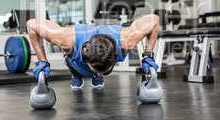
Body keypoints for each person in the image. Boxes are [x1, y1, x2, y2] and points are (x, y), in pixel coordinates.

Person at [27, 14, 160, 90]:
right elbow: (31, 24)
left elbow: (154, 20)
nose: (97, 71)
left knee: (100, 71)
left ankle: (98, 76)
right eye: (96, 70)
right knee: (72, 59)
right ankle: (76, 76)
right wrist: (42, 61)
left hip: (99, 46)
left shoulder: (126, 41)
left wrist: (148, 55)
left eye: (99, 71)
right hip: (77, 50)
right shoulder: (67, 40)